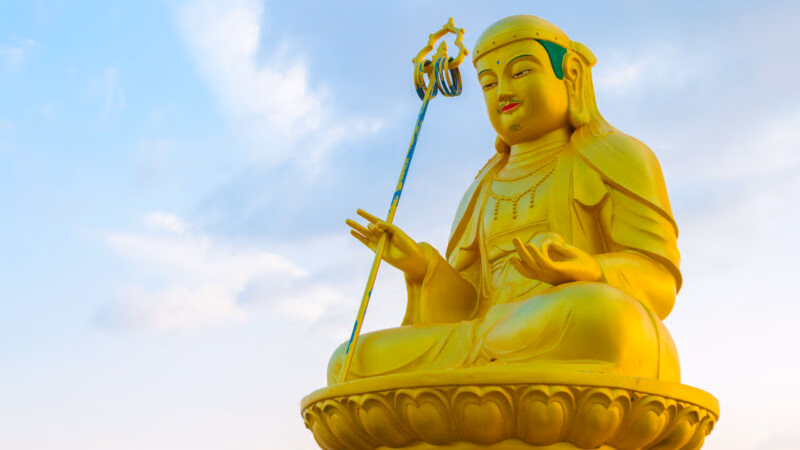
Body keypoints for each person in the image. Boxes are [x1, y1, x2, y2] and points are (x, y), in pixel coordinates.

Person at [329, 15, 682, 385]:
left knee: (607, 317)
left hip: (568, 323)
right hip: (483, 338)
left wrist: (589, 271)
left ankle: (479, 381)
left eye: (521, 72)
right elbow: (467, 308)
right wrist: (423, 268)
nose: (503, 92)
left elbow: (659, 283)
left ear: (571, 75)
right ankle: (481, 376)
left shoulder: (617, 155)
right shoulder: (481, 187)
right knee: (348, 362)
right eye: (489, 83)